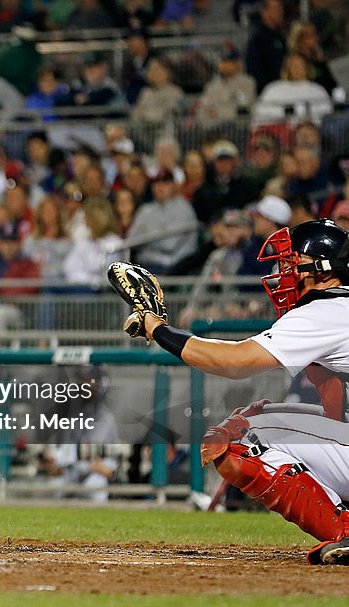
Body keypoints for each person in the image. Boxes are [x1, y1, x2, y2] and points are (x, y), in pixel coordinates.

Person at [118, 219, 349, 565]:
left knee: (238, 437)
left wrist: (158, 328)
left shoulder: (328, 311)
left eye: (291, 263)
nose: (282, 273)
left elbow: (233, 363)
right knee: (257, 419)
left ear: (323, 269)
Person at [127, 169, 198, 274]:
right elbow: (131, 240)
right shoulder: (146, 209)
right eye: (156, 183)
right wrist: (160, 231)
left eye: (165, 183)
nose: (160, 187)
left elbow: (169, 244)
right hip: (146, 268)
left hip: (175, 271)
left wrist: (145, 233)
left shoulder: (183, 208)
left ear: (174, 185)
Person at [198, 47, 257, 124]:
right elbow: (203, 107)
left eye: (229, 61)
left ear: (237, 63)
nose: (224, 64)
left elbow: (243, 108)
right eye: (223, 61)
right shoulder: (212, 85)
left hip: (237, 126)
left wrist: (218, 113)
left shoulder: (247, 82)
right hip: (211, 126)